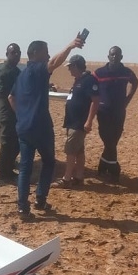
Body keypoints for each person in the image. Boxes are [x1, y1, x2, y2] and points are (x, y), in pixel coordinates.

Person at [8, 36, 84, 219]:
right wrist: (70, 46)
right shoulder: (36, 68)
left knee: (25, 167)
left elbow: (11, 98)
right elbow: (54, 62)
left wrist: (22, 116)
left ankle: (22, 207)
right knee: (49, 162)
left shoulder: (22, 74)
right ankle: (40, 199)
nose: (48, 54)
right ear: (35, 53)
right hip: (40, 127)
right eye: (45, 51)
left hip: (24, 127)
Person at [93, 46, 138, 184]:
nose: (114, 57)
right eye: (112, 55)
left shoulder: (126, 72)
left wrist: (128, 99)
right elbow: (91, 87)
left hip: (119, 112)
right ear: (108, 57)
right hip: (103, 113)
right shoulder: (99, 73)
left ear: (121, 57)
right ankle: (114, 169)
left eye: (117, 55)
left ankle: (104, 167)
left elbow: (135, 82)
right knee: (108, 140)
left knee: (113, 141)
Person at [56, 54, 98, 188]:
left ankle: (66, 179)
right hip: (72, 121)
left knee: (70, 151)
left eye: (70, 67)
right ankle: (79, 176)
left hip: (79, 123)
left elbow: (95, 101)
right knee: (79, 151)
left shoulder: (89, 80)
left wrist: (89, 121)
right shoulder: (79, 80)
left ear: (75, 66)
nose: (69, 70)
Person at [0, 43, 21, 183]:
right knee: (7, 143)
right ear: (7, 54)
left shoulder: (17, 72)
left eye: (18, 52)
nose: (16, 55)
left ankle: (9, 167)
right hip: (8, 112)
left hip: (18, 112)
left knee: (16, 143)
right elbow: (2, 94)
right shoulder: (4, 73)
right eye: (13, 52)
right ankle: (4, 173)